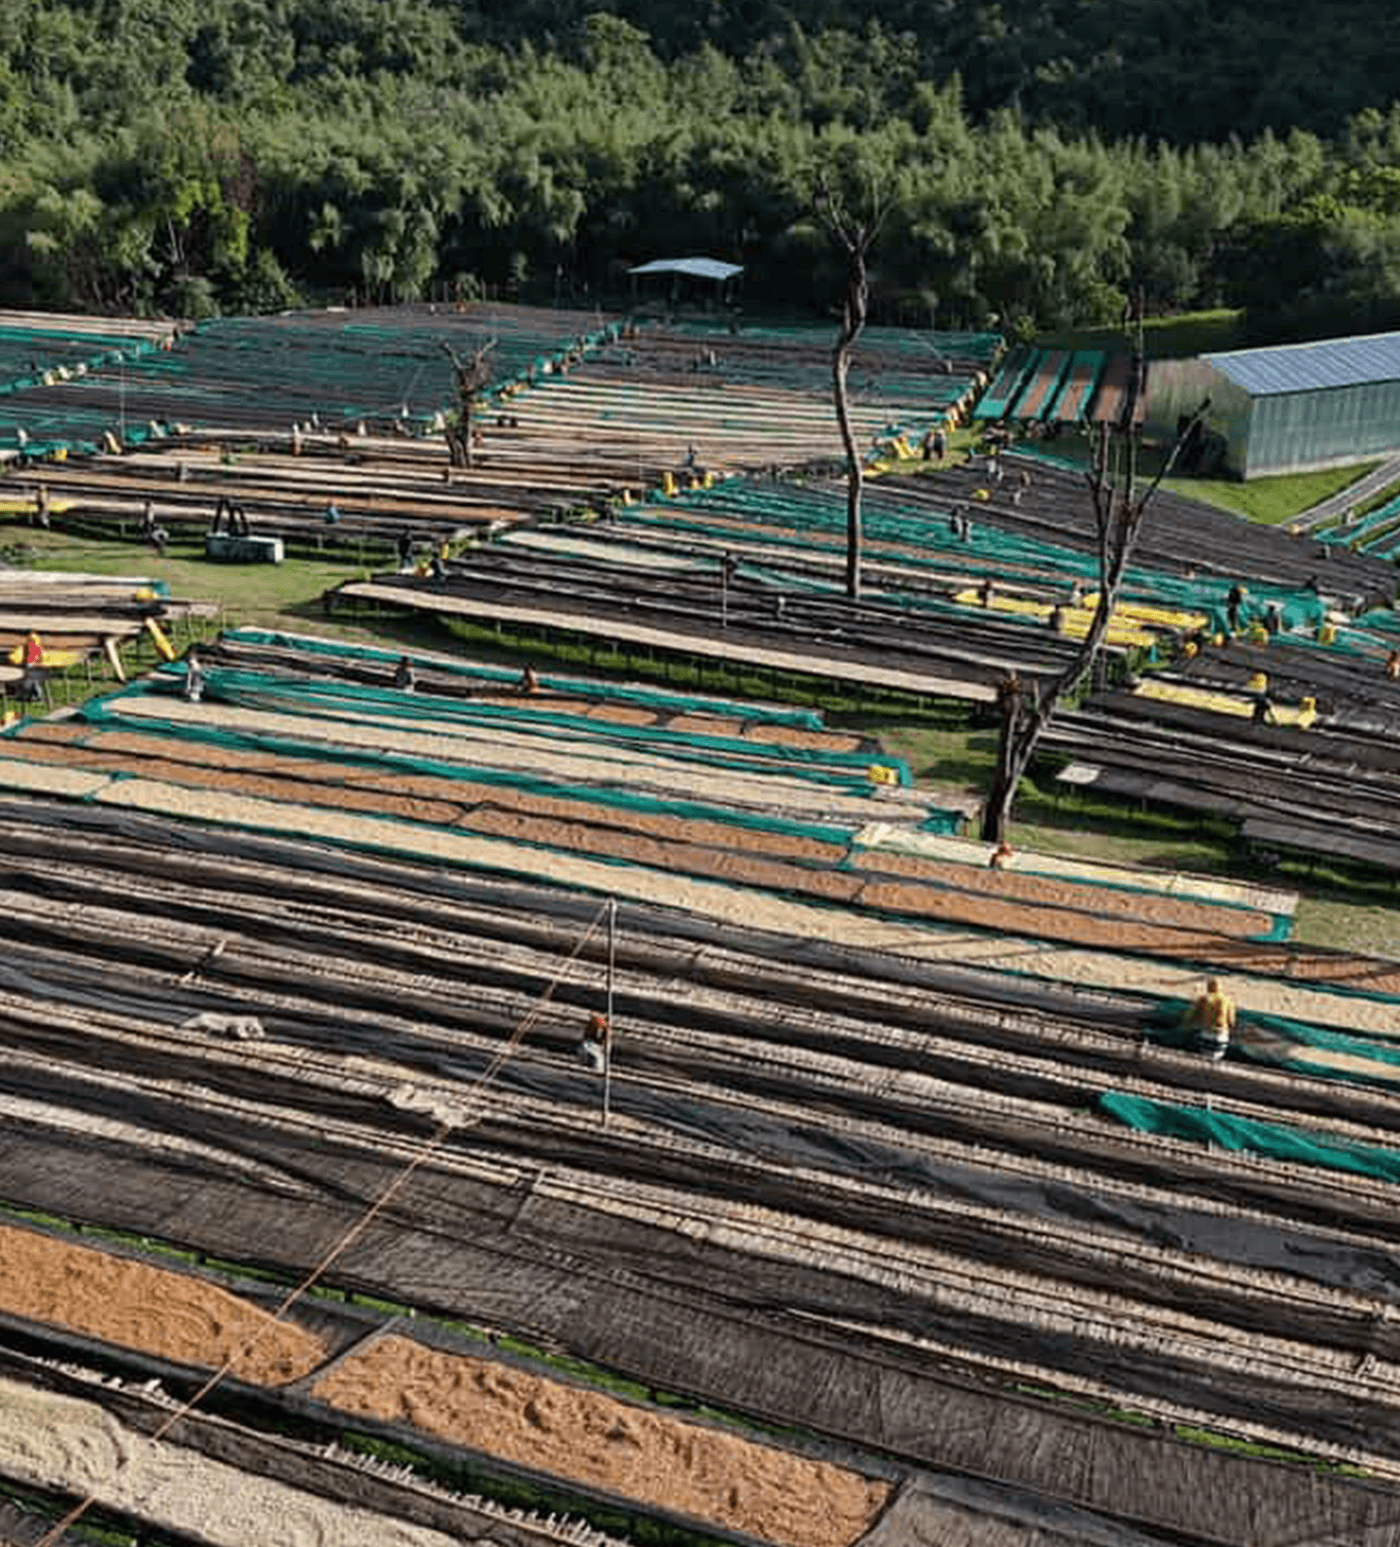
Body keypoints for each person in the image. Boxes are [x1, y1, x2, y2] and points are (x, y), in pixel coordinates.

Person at [1185, 977, 1236, 1061]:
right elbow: (1231, 1022)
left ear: (1208, 987)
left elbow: (1192, 1017)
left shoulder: (1203, 999)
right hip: (1221, 1037)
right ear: (1220, 988)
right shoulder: (1227, 1001)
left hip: (1206, 1035)